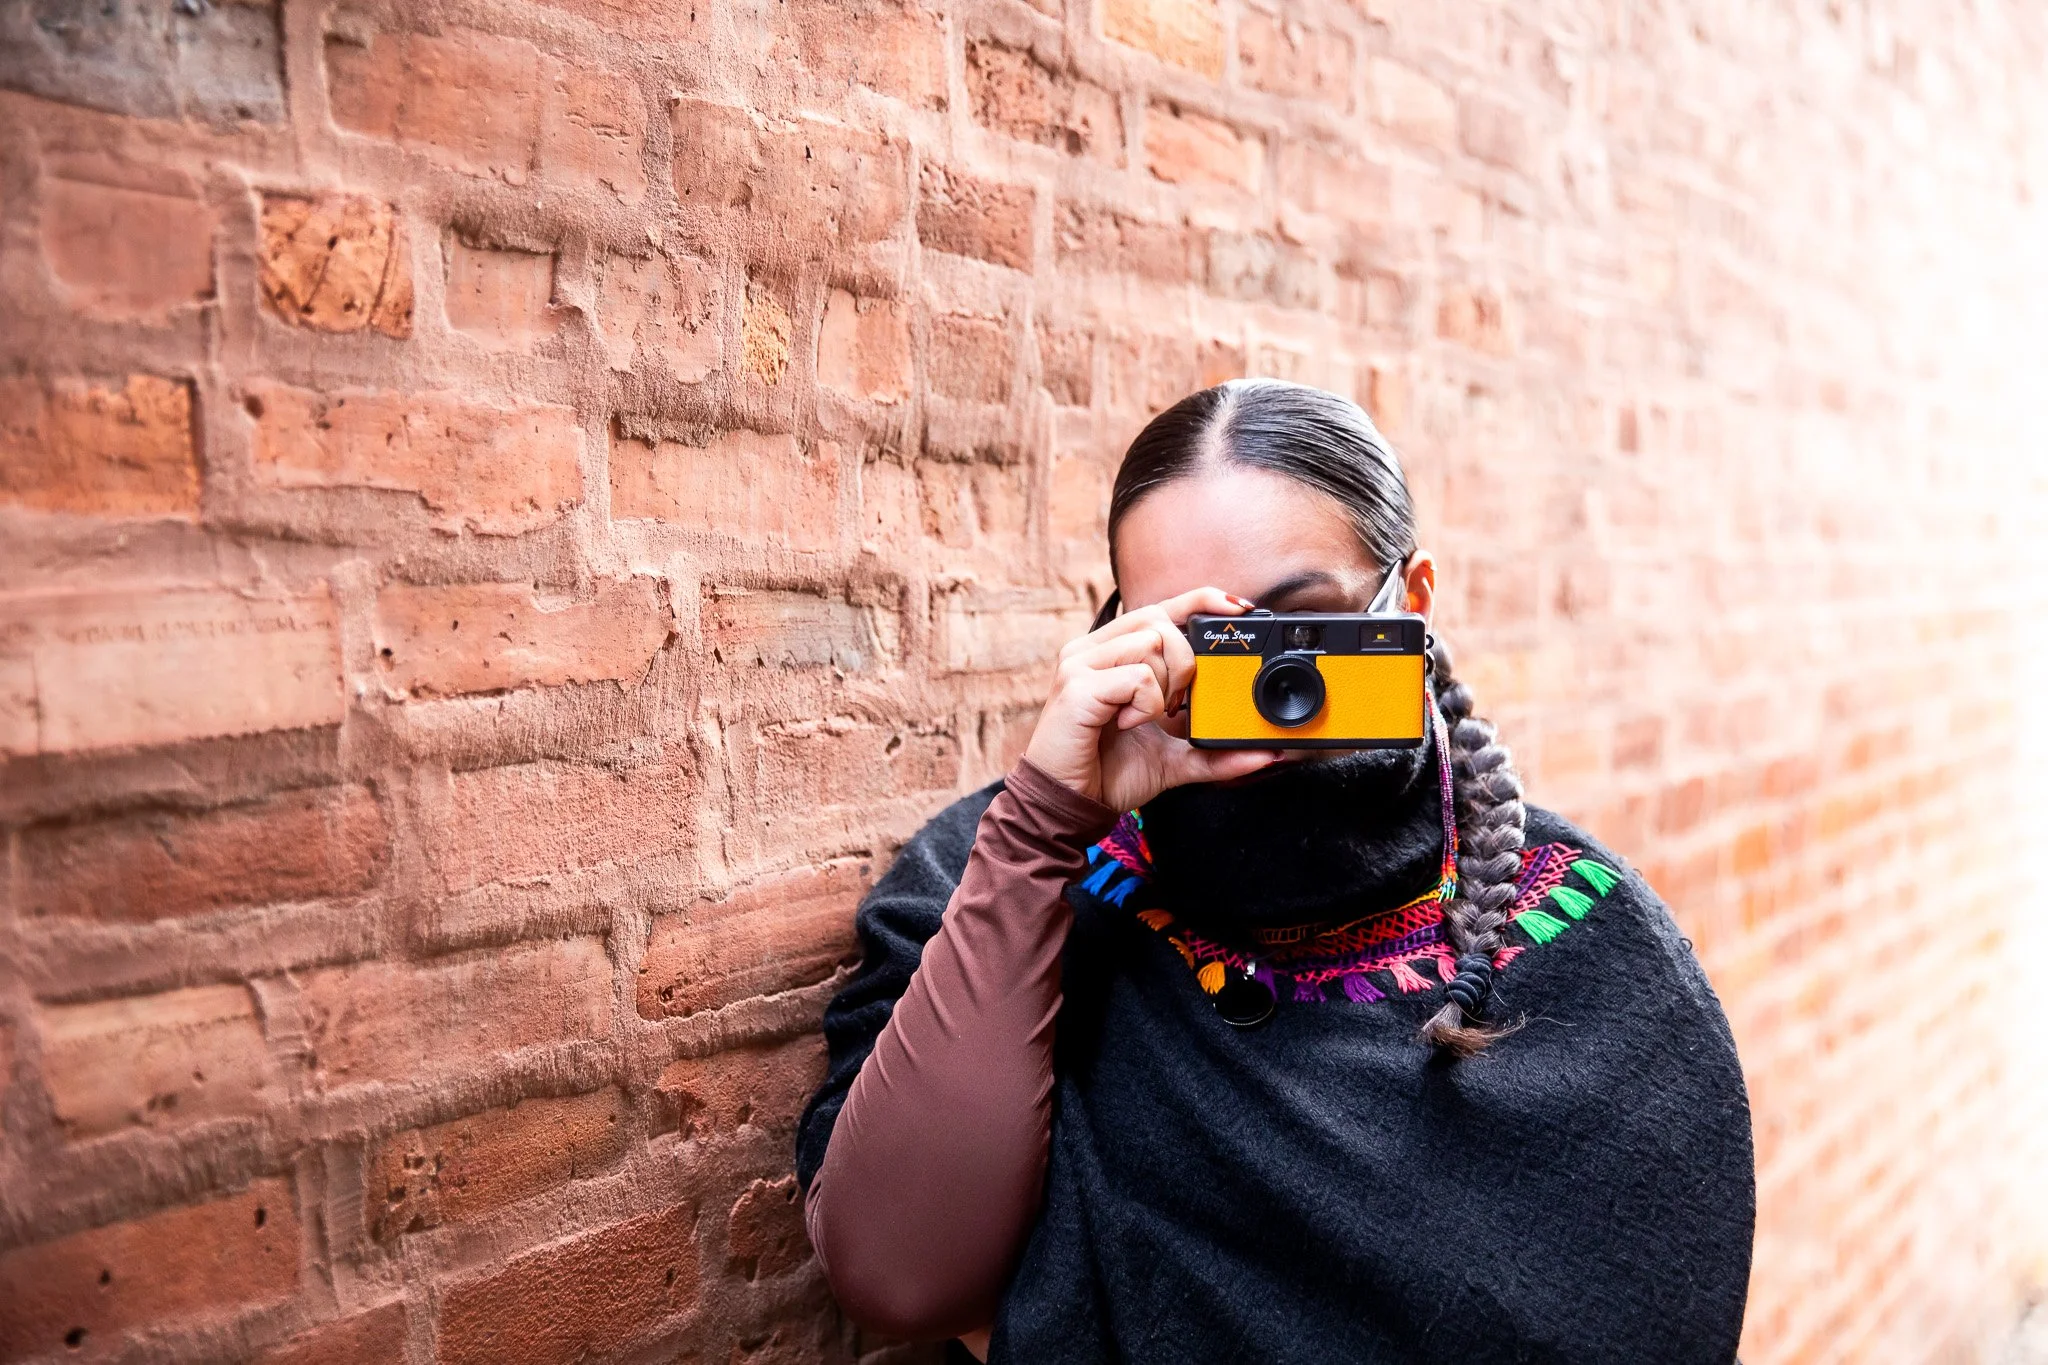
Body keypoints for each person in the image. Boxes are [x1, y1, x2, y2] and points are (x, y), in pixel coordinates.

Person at [794, 380, 1754, 1364]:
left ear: (1410, 603)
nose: (1268, 681)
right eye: (1205, 640)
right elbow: (900, 1273)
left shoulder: (1582, 930)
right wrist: (1043, 825)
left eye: (1299, 622)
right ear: (1117, 628)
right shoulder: (1001, 872)